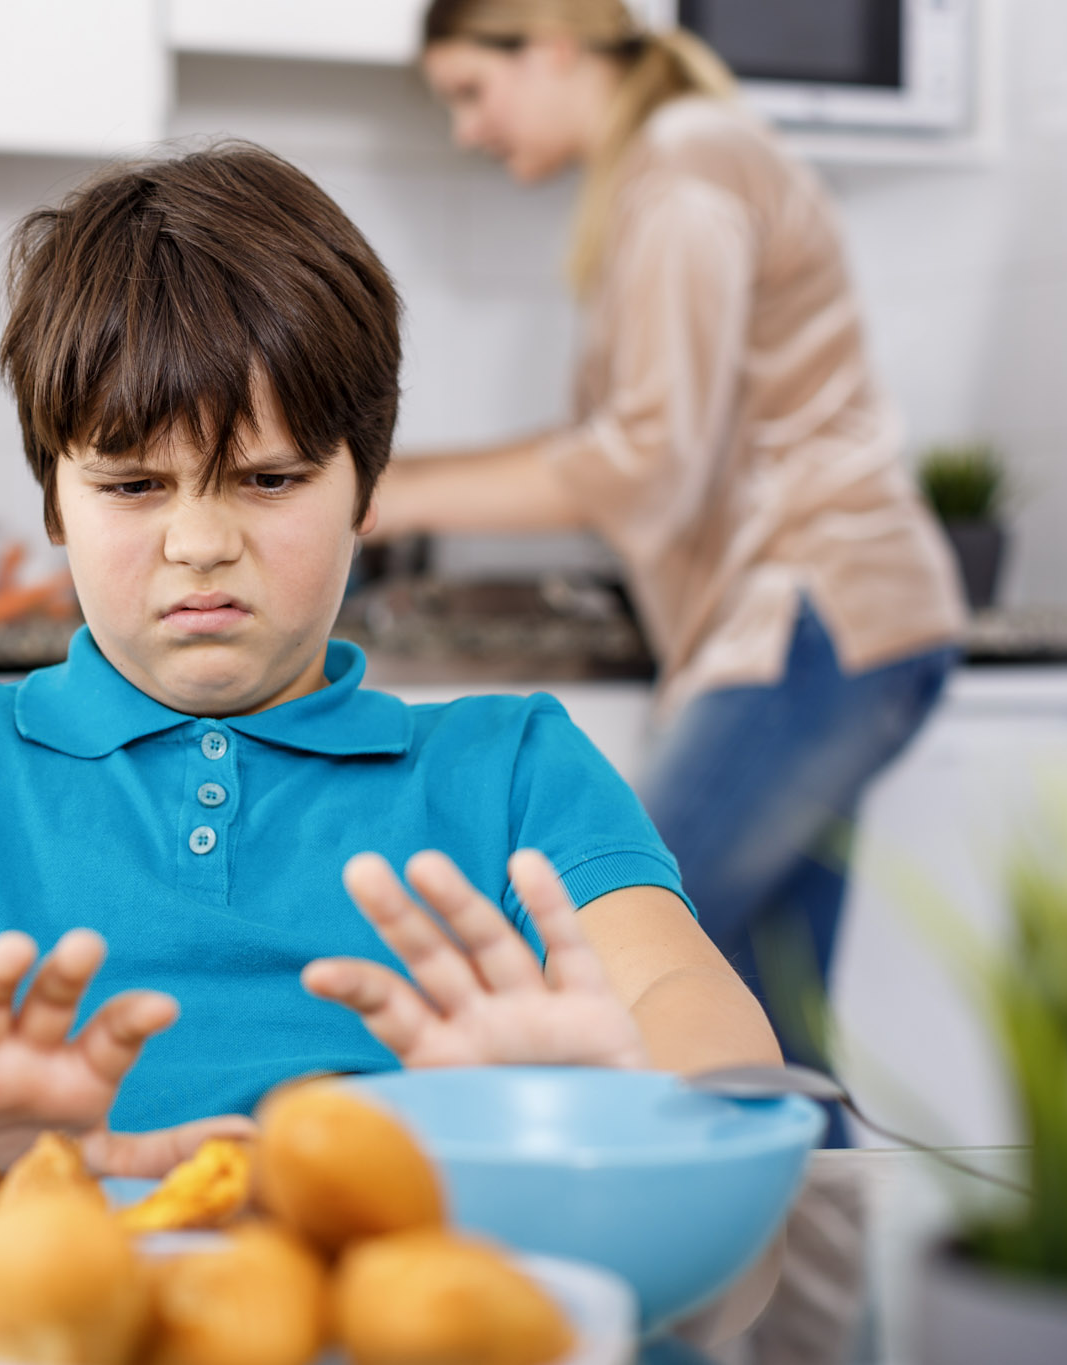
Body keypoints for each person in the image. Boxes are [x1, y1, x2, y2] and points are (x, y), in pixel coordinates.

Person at [0, 143, 779, 1177]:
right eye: (133, 486)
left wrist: (617, 1104)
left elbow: (692, 1018)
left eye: (268, 480)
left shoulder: (516, 771)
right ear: (52, 499)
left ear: (366, 493)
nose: (198, 544)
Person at [374, 0, 966, 1142]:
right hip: (835, 624)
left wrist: (390, 490)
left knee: (629, 961)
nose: (464, 130)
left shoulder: (683, 177)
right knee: (766, 1027)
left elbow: (645, 464)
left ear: (547, 49)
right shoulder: (677, 167)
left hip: (815, 620)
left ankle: (627, 1259)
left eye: (467, 91)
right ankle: (807, 1309)